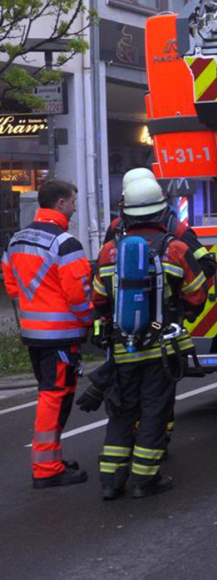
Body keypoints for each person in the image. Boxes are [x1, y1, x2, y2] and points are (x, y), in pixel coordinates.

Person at [93, 177, 206, 499]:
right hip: (160, 345)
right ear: (161, 212)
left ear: (125, 214)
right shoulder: (176, 249)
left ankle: (111, 481)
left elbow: (99, 300)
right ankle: (145, 479)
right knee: (155, 410)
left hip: (122, 347)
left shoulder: (108, 252)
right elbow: (197, 295)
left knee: (122, 411)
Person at [2, 180, 92, 488]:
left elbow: (12, 286)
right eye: (72, 201)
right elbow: (78, 296)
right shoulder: (65, 243)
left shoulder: (16, 240)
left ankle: (51, 459)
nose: (75, 207)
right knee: (55, 398)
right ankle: (47, 468)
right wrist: (90, 320)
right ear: (60, 204)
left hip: (34, 334)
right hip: (61, 335)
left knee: (52, 394)